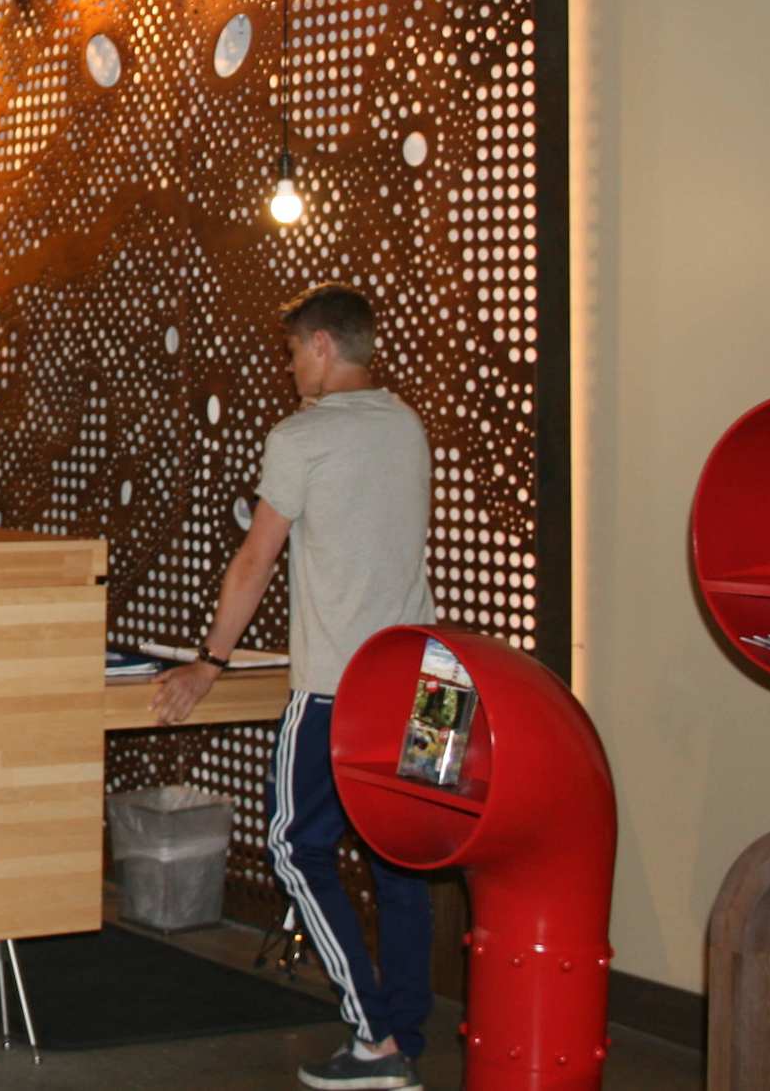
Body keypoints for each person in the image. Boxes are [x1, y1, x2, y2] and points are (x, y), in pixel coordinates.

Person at [152, 283, 436, 1091]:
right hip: (424, 681)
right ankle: (404, 1039)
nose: (287, 369)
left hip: (342, 686)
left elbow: (256, 559)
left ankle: (375, 1038)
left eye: (291, 352)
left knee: (294, 846)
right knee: (403, 862)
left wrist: (210, 661)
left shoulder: (301, 437)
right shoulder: (406, 425)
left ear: (320, 345)